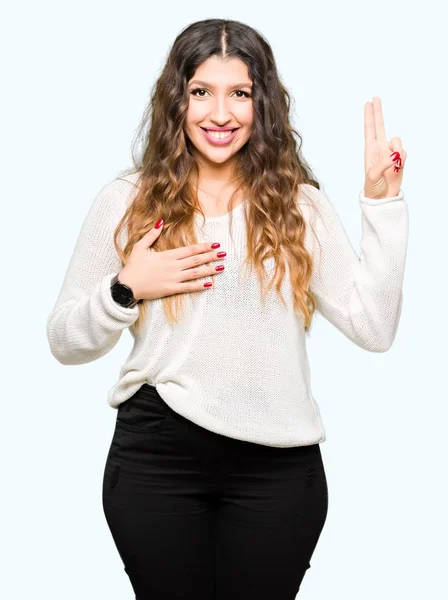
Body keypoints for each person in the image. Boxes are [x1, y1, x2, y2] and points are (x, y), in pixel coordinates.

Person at [46, 17, 409, 600]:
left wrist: (382, 202)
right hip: (157, 458)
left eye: (239, 93)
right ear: (177, 101)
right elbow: (64, 340)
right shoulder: (128, 202)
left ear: (261, 103)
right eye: (200, 93)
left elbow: (374, 327)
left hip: (277, 468)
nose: (220, 113)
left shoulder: (299, 208)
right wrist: (125, 288)